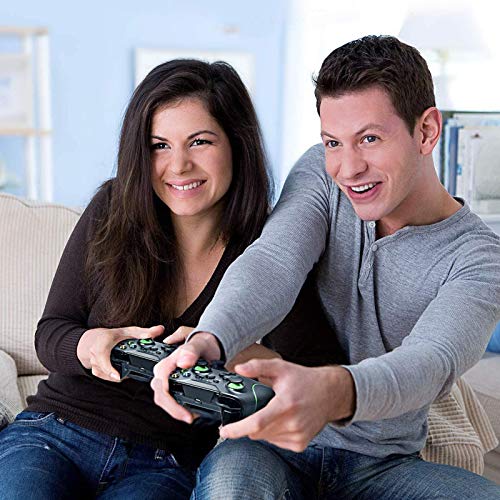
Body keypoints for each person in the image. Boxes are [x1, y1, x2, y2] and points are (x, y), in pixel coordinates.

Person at [152, 36, 500, 498]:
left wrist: (331, 392)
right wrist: (210, 338)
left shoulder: (479, 258)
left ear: (427, 131)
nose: (348, 168)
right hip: (269, 446)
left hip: (384, 465)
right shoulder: (321, 173)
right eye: (333, 141)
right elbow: (274, 261)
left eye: (370, 139)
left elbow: (430, 362)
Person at [0, 59, 344, 499]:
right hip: (55, 433)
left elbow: (320, 372)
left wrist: (234, 352)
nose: (178, 165)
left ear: (236, 144)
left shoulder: (270, 249)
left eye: (199, 141)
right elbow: (51, 332)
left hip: (165, 463)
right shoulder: (113, 209)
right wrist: (92, 345)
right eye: (159, 145)